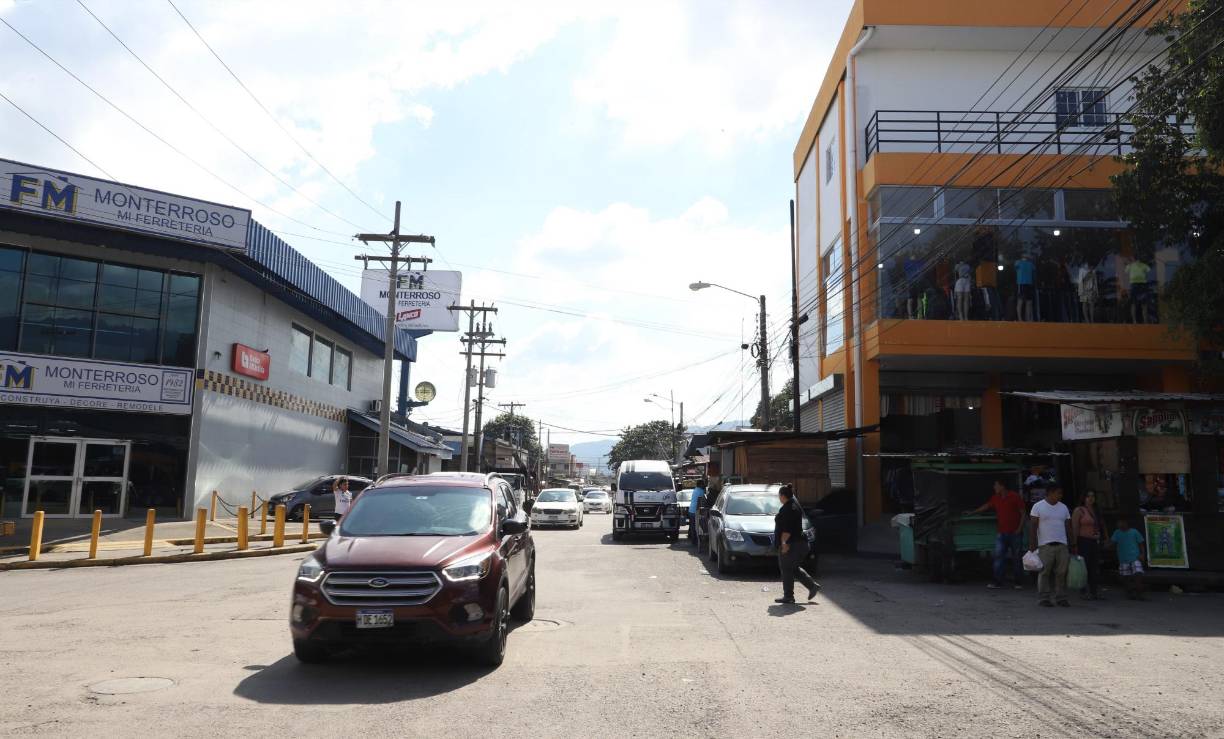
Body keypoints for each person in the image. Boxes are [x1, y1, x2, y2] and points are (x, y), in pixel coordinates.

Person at [967, 479, 1026, 589]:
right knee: (998, 557)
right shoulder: (996, 498)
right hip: (1001, 533)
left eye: (996, 485)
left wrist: (1019, 528)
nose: (994, 487)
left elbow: (1023, 513)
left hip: (1015, 533)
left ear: (1002, 486)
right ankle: (998, 581)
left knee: (1017, 558)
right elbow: (986, 506)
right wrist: (972, 512)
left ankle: (1018, 582)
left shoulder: (1015, 497)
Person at [774, 485, 820, 604]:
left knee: (787, 568)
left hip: (793, 544)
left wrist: (784, 543)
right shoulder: (794, 505)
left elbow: (787, 530)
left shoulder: (789, 508)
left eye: (779, 496)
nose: (779, 498)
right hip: (799, 543)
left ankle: (789, 596)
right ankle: (812, 586)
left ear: (783, 496)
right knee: (793, 568)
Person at [1028, 484, 1072, 607]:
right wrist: (1032, 544)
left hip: (1062, 544)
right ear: (1051, 493)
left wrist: (1072, 543)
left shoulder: (1063, 508)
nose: (1060, 495)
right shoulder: (1038, 507)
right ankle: (1044, 598)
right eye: (1058, 493)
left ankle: (1061, 597)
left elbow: (1068, 527)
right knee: (1044, 572)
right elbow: (1033, 527)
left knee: (1061, 572)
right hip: (1045, 545)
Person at [1071, 490, 1107, 599]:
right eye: (1088, 496)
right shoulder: (1079, 510)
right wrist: (1074, 543)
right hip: (1083, 541)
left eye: (1092, 496)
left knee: (1094, 566)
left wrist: (1105, 537)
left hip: (1094, 541)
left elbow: (1102, 524)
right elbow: (1075, 527)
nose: (1091, 498)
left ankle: (1094, 591)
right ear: (1083, 498)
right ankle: (1083, 590)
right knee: (1084, 566)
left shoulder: (1096, 510)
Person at [1110, 517, 1147, 600]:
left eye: (1121, 522)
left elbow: (1141, 544)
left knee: (1138, 574)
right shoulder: (1117, 533)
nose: (1119, 524)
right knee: (1125, 577)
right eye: (1118, 523)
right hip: (1123, 559)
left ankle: (1139, 593)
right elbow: (1112, 542)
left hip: (1135, 557)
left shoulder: (1134, 532)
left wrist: (1142, 554)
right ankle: (1130, 592)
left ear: (1126, 523)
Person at [688, 479, 706, 546]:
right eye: (703, 484)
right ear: (701, 485)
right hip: (695, 511)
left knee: (692, 526)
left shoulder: (695, 490)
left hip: (691, 510)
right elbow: (702, 501)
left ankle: (693, 539)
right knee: (696, 526)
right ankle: (695, 540)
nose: (704, 485)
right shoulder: (701, 491)